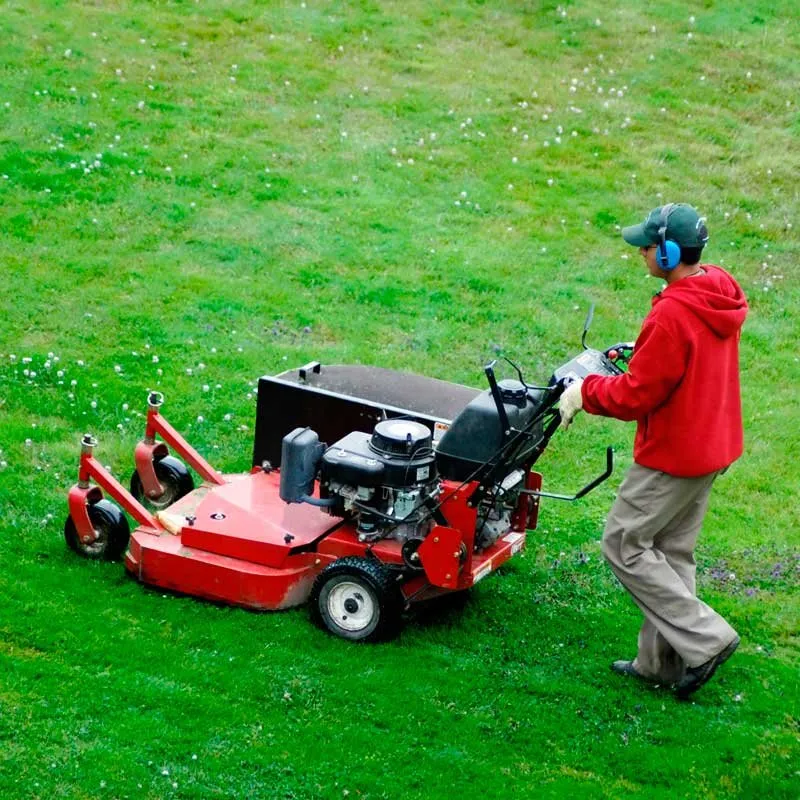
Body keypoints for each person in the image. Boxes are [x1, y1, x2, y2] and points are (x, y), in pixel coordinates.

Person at [558, 202, 748, 699]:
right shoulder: (716, 291)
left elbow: (638, 395)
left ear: (666, 252)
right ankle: (660, 664)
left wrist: (585, 393)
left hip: (673, 455)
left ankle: (707, 639)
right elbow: (675, 368)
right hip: (711, 447)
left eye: (647, 245)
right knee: (671, 552)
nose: (641, 252)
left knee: (623, 544)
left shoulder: (673, 313)